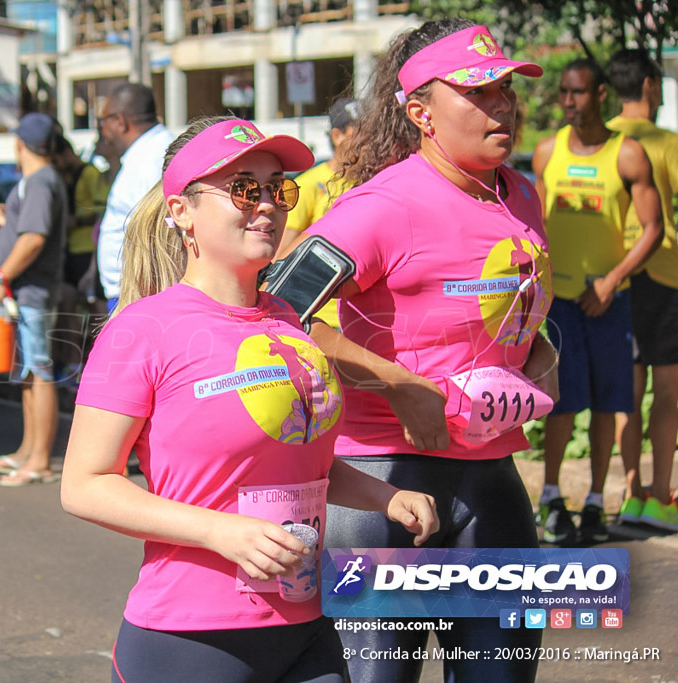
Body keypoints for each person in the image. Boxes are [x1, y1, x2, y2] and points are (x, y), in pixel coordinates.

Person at [61, 116, 438, 683]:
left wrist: (386, 497)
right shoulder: (142, 330)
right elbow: (85, 485)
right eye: (243, 188)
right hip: (192, 638)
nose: (266, 204)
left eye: (277, 187)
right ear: (181, 211)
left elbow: (297, 465)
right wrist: (220, 530)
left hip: (305, 624)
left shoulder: (289, 322)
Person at [287, 20, 557, 682]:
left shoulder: (522, 195)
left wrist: (538, 350)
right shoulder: (382, 205)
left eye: (506, 90)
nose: (501, 106)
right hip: (378, 486)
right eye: (478, 92)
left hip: (489, 482)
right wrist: (395, 382)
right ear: (421, 113)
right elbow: (280, 311)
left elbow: (503, 309)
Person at [533, 58, 663, 545]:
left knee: (608, 405)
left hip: (610, 300)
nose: (569, 101)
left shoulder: (627, 154)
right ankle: (550, 497)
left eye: (579, 93)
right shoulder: (547, 152)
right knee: (560, 405)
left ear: (601, 93)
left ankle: (592, 504)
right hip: (561, 302)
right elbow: (534, 225)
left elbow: (654, 228)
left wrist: (611, 281)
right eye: (564, 92)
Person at [607, 49, 678, 531]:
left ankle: (630, 493)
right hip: (667, 273)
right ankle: (660, 497)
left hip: (618, 277)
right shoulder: (667, 143)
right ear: (650, 86)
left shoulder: (604, 139)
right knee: (667, 393)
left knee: (627, 394)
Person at [0, 113, 69, 486]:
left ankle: (39, 460)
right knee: (29, 373)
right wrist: (8, 220)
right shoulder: (38, 182)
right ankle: (28, 452)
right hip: (29, 291)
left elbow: (33, 238)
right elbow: (29, 229)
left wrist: (2, 276)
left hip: (31, 290)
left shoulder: (39, 182)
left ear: (20, 144)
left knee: (38, 371)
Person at [95, 83, 174, 314]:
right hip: (133, 294)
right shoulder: (146, 154)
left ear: (120, 121)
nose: (103, 131)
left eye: (103, 122)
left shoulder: (153, 158)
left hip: (142, 296)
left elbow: (163, 230)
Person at [50, 129, 108, 380]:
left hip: (88, 251)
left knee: (96, 307)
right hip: (68, 252)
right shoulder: (61, 177)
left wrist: (77, 220)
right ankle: (72, 365)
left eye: (57, 160)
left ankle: (102, 362)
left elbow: (102, 211)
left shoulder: (89, 173)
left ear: (66, 154)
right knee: (68, 306)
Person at [277, 97, 360, 255]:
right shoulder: (308, 184)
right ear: (337, 136)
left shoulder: (374, 181)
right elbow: (281, 257)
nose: (371, 141)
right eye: (361, 134)